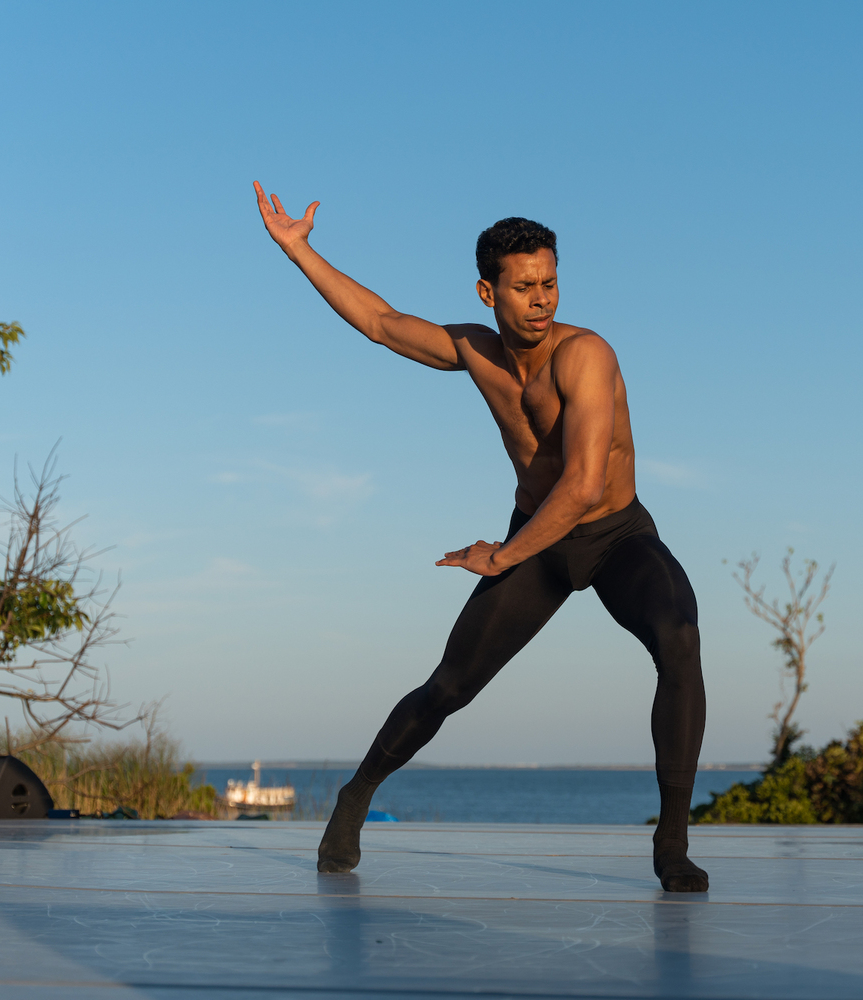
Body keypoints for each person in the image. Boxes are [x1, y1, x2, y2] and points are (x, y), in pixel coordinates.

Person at [254, 183, 710, 892]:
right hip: (538, 538)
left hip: (616, 536)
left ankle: (672, 844)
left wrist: (499, 556)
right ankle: (357, 793)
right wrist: (300, 250)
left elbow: (585, 484)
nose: (542, 300)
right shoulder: (477, 351)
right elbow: (380, 321)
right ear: (485, 292)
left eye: (550, 283)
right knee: (450, 686)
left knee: (679, 636)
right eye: (524, 287)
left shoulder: (585, 356)